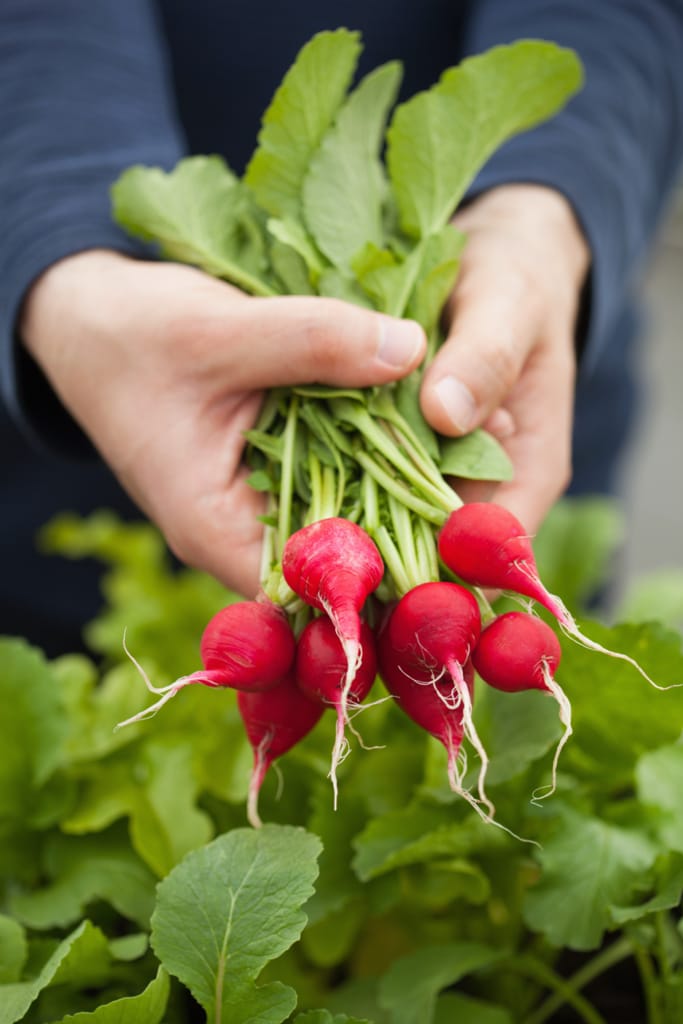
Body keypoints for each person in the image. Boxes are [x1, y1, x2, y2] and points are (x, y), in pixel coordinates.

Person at [2, 0, 682, 655]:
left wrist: (548, 205)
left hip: (514, 389)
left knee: (511, 715)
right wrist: (66, 252)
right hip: (74, 438)